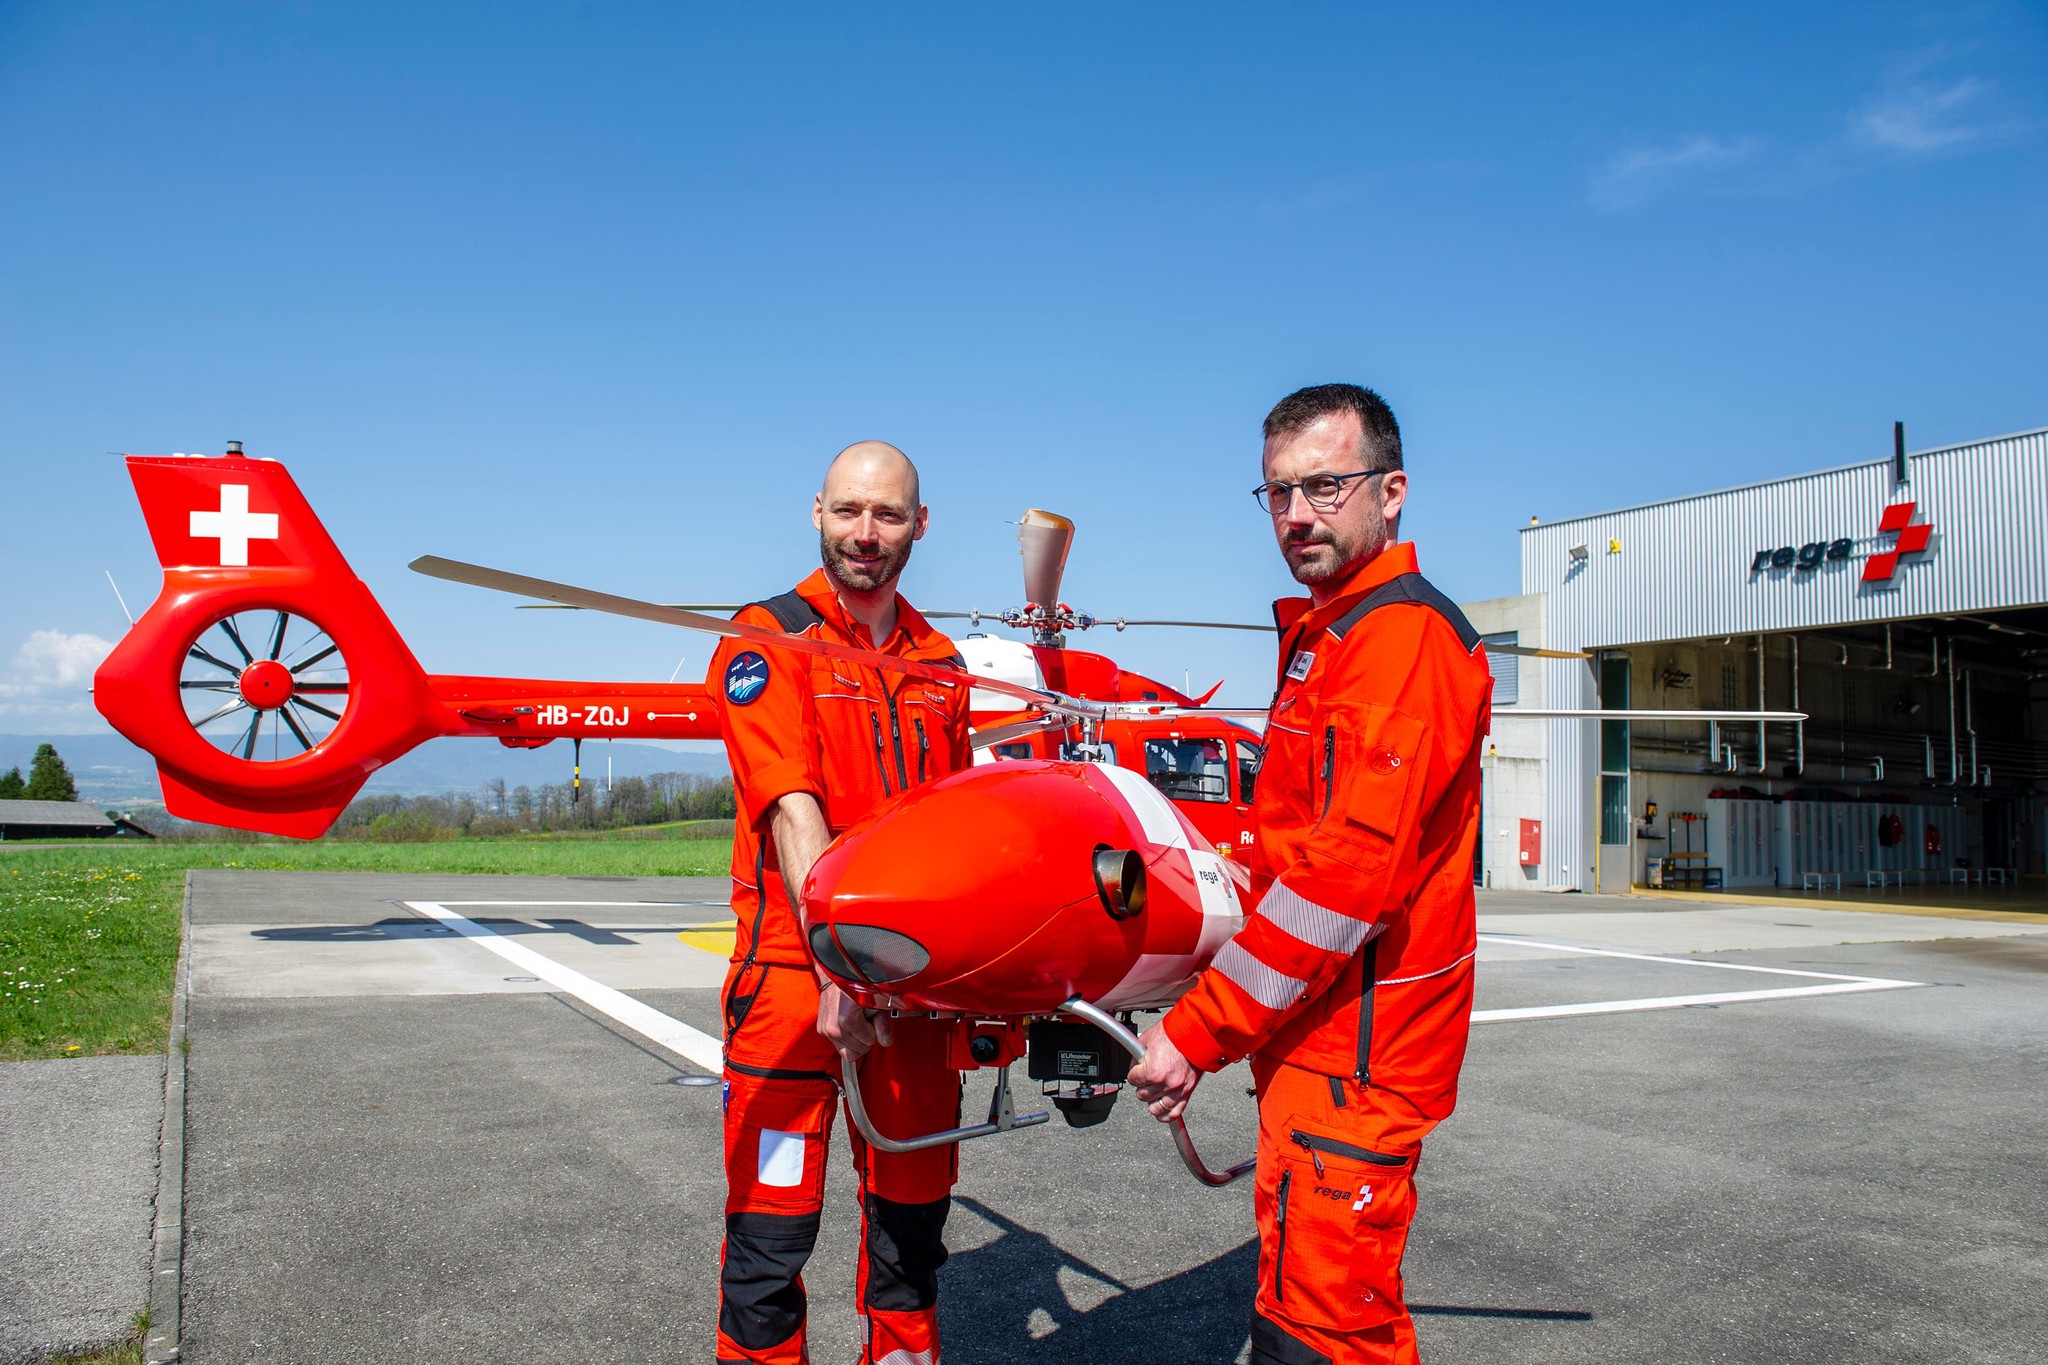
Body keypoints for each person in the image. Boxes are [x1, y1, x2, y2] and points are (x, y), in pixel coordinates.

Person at [1129, 384, 1492, 1365]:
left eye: (1324, 486)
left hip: (1356, 1058)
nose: (1295, 515)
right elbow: (1285, 848)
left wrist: (1195, 1030)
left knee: (1328, 1332)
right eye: (1277, 493)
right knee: (1299, 1310)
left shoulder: (1398, 641)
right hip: (1310, 1047)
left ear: (1392, 490)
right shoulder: (1332, 634)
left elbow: (1343, 882)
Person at [708, 440, 975, 1365]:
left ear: (920, 525)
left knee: (911, 1238)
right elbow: (792, 808)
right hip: (797, 985)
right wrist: (838, 963)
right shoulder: (765, 638)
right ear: (816, 510)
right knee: (769, 1241)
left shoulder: (942, 662)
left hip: (913, 997)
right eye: (850, 511)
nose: (867, 534)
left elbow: (956, 830)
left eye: (889, 515)